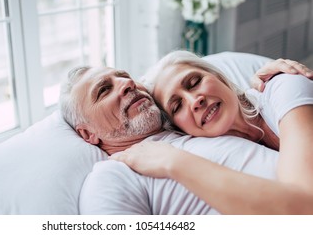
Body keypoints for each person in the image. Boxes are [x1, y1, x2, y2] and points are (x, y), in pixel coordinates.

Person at [111, 50, 313, 214]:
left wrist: (173, 162)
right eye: (177, 106)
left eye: (194, 82)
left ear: (217, 76)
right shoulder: (226, 153)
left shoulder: (284, 87)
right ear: (180, 129)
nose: (195, 101)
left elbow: (304, 208)